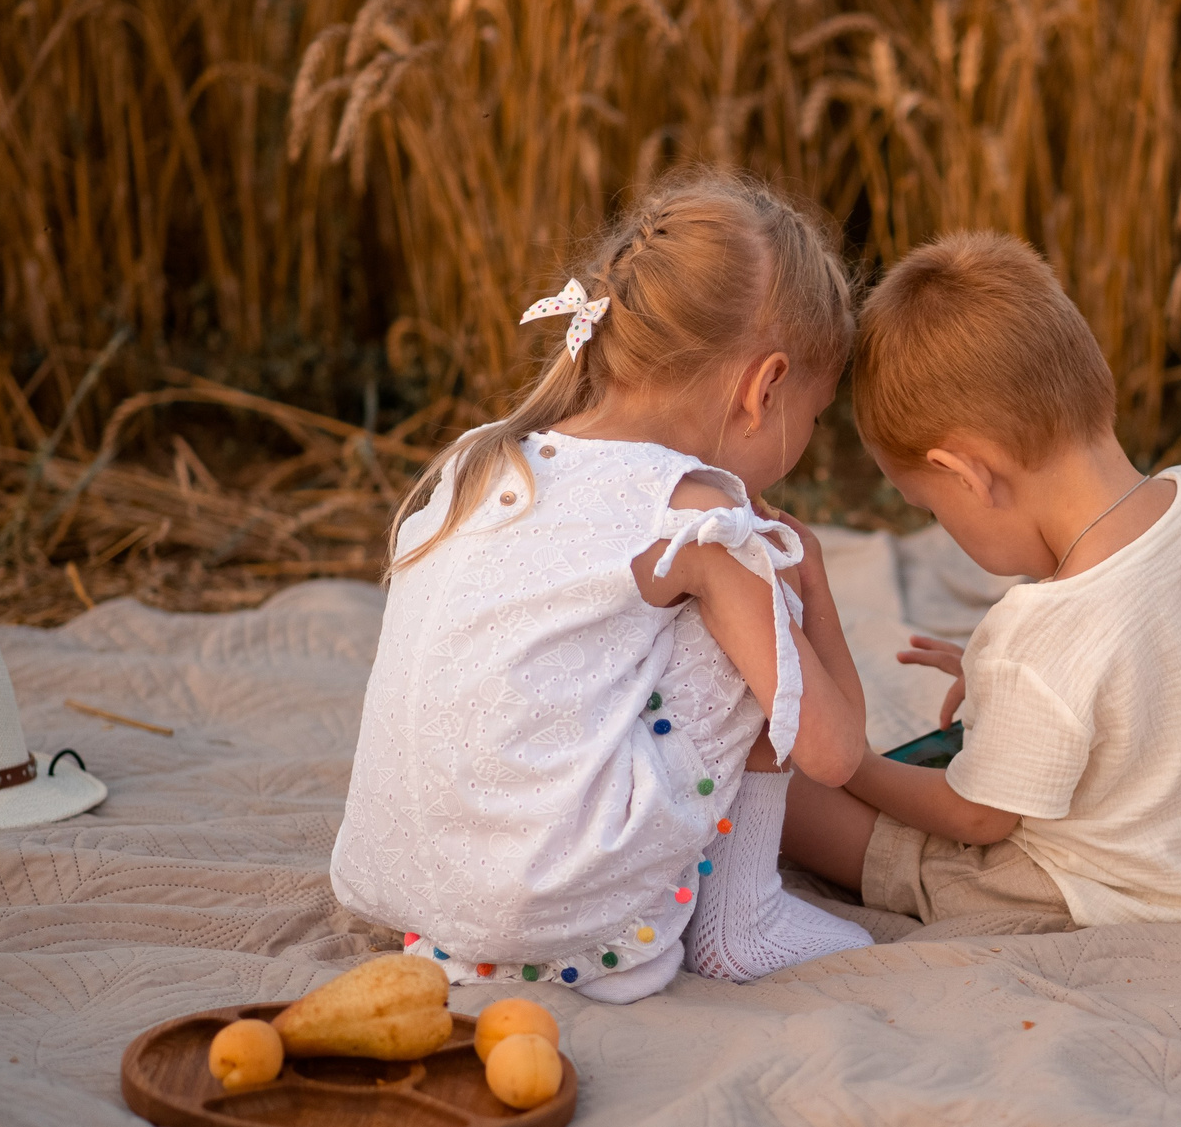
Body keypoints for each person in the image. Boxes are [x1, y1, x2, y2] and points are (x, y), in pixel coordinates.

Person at [331, 170, 875, 998]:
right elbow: (833, 751)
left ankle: (507, 912)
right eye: (816, 411)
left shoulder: (484, 456)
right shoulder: (689, 515)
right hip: (563, 911)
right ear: (765, 388)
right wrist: (807, 583)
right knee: (747, 577)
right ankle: (742, 918)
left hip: (412, 889)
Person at [781, 232, 1181, 929]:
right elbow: (1179, 654)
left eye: (932, 507)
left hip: (1077, 892)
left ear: (968, 473)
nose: (944, 527)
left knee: (788, 797)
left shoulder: (1039, 634)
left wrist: (855, 766)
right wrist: (1000, 685)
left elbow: (978, 816)